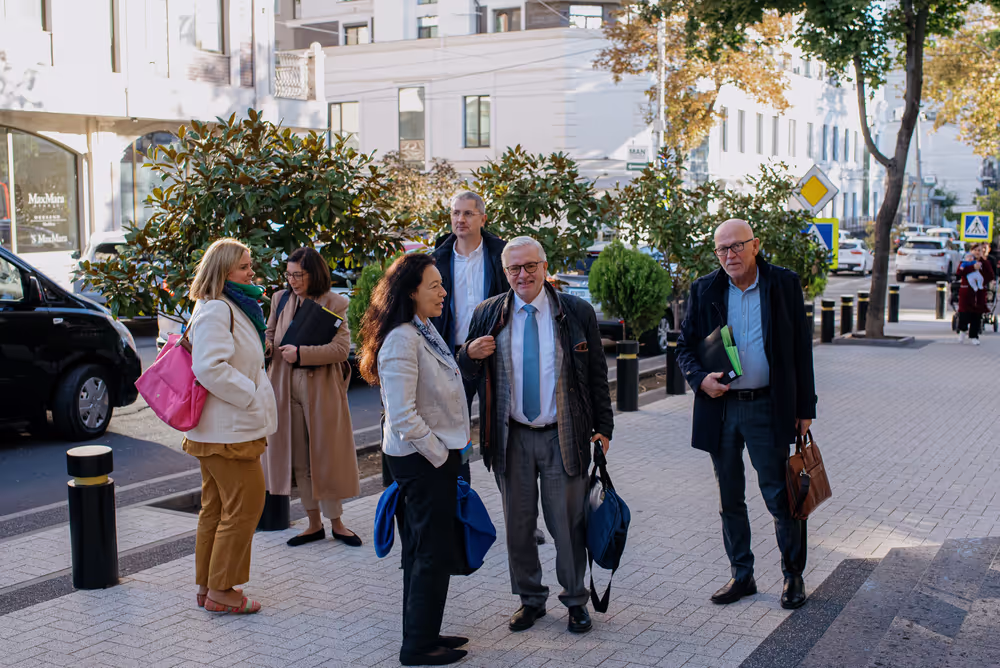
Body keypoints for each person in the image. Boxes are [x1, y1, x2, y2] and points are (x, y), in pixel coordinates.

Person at [459, 236, 614, 635]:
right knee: (519, 526)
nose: (523, 275)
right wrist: (466, 356)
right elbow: (466, 378)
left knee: (567, 525)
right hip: (510, 437)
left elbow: (596, 374)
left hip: (562, 434)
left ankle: (576, 601)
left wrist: (604, 427)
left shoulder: (575, 311)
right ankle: (530, 600)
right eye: (514, 268)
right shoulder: (488, 313)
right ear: (505, 271)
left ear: (545, 267)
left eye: (530, 266)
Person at [675, 219, 816, 610]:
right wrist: (700, 379)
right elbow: (684, 346)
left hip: (767, 407)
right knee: (729, 498)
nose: (730, 255)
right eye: (722, 249)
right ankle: (742, 575)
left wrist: (806, 408)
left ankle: (793, 576)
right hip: (720, 410)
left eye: (737, 246)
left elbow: (801, 349)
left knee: (780, 496)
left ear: (756, 244)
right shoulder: (705, 289)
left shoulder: (782, 284)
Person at [357, 253, 471, 667]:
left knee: (426, 550)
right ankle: (417, 648)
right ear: (410, 292)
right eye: (434, 286)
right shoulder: (402, 338)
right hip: (423, 461)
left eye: (442, 283)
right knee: (429, 552)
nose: (443, 291)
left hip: (433, 458)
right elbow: (403, 415)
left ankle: (424, 632)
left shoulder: (421, 328)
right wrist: (442, 456)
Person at [183, 238, 277, 614]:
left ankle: (210, 588)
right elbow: (209, 367)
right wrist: (250, 394)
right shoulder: (219, 310)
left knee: (217, 509)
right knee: (245, 507)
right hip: (228, 431)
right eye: (243, 266)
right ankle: (223, 592)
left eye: (249, 264)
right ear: (223, 272)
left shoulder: (225, 306)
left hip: (222, 430)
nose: (250, 271)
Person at [264, 247, 362, 548]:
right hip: (283, 387)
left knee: (325, 457)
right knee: (299, 458)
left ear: (314, 274)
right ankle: (313, 524)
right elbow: (270, 333)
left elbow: (341, 350)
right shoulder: (280, 300)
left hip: (320, 390)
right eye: (289, 274)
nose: (292, 281)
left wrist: (302, 354)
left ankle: (337, 523)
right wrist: (267, 345)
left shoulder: (334, 303)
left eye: (299, 275)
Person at [431, 190, 508, 485]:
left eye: (467, 213)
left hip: (494, 355)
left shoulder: (500, 256)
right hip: (453, 358)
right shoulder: (437, 259)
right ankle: (461, 503)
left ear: (482, 218)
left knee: (501, 434)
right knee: (455, 434)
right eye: (455, 213)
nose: (460, 219)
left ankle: (519, 516)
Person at [956, 243, 995, 346]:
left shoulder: (985, 263)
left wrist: (983, 263)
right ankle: (962, 331)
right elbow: (959, 273)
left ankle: (974, 335)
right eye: (976, 250)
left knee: (976, 315)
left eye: (980, 251)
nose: (977, 253)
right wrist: (972, 267)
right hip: (966, 292)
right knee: (964, 313)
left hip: (979, 293)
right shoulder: (966, 261)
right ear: (971, 251)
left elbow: (990, 275)